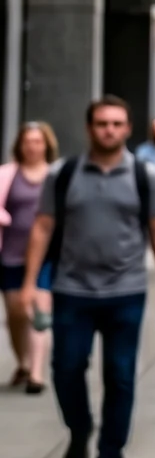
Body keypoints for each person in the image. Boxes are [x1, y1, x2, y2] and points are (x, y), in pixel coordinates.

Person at [13, 96, 155, 458]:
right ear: (90, 129)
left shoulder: (145, 175)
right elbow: (42, 227)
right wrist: (30, 284)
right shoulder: (64, 174)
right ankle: (80, 428)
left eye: (117, 124)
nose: (109, 130)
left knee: (120, 377)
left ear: (127, 128)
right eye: (102, 123)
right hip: (72, 291)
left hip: (127, 291)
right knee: (66, 369)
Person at [1, 120, 57, 394]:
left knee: (39, 312)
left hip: (47, 254)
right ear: (20, 146)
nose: (32, 147)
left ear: (46, 145)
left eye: (37, 142)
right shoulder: (7, 174)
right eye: (28, 142)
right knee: (15, 313)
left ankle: (36, 374)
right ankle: (23, 363)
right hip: (10, 254)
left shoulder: (55, 175)